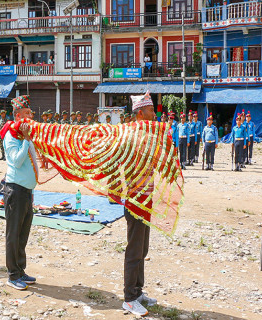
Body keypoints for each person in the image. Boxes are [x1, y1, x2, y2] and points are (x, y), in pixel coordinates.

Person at [122, 91, 157, 317]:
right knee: (134, 250)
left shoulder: (148, 134)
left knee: (142, 249)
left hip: (147, 199)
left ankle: (138, 291)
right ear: (142, 112)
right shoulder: (132, 136)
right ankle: (129, 298)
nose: (155, 113)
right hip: (135, 199)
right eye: (152, 110)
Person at [1, 95, 38, 291]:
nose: (30, 116)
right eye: (26, 113)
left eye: (30, 113)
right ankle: (12, 274)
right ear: (17, 116)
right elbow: (16, 160)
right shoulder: (11, 136)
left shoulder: (23, 135)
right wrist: (26, 141)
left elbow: (31, 158)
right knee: (13, 234)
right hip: (15, 190)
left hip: (26, 191)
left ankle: (21, 270)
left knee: (23, 233)